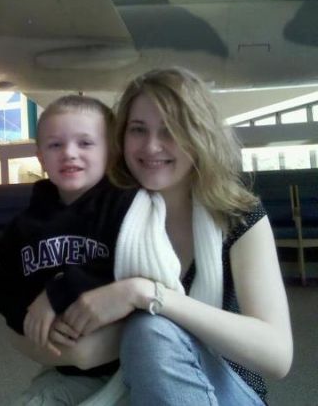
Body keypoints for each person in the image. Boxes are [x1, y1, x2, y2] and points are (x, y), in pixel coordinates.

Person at [50, 67, 293, 405]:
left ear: (199, 135)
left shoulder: (239, 218)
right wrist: (44, 297)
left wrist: (148, 295)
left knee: (150, 329)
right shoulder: (109, 214)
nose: (152, 146)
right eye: (138, 130)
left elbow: (278, 357)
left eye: (171, 130)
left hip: (232, 390)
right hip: (142, 385)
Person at [0, 95, 137, 405]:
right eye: (55, 145)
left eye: (85, 143)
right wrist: (27, 319)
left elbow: (132, 266)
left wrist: (57, 293)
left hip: (131, 366)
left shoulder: (125, 206)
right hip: (63, 369)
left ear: (111, 152)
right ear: (40, 157)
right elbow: (4, 283)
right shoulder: (24, 225)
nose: (69, 153)